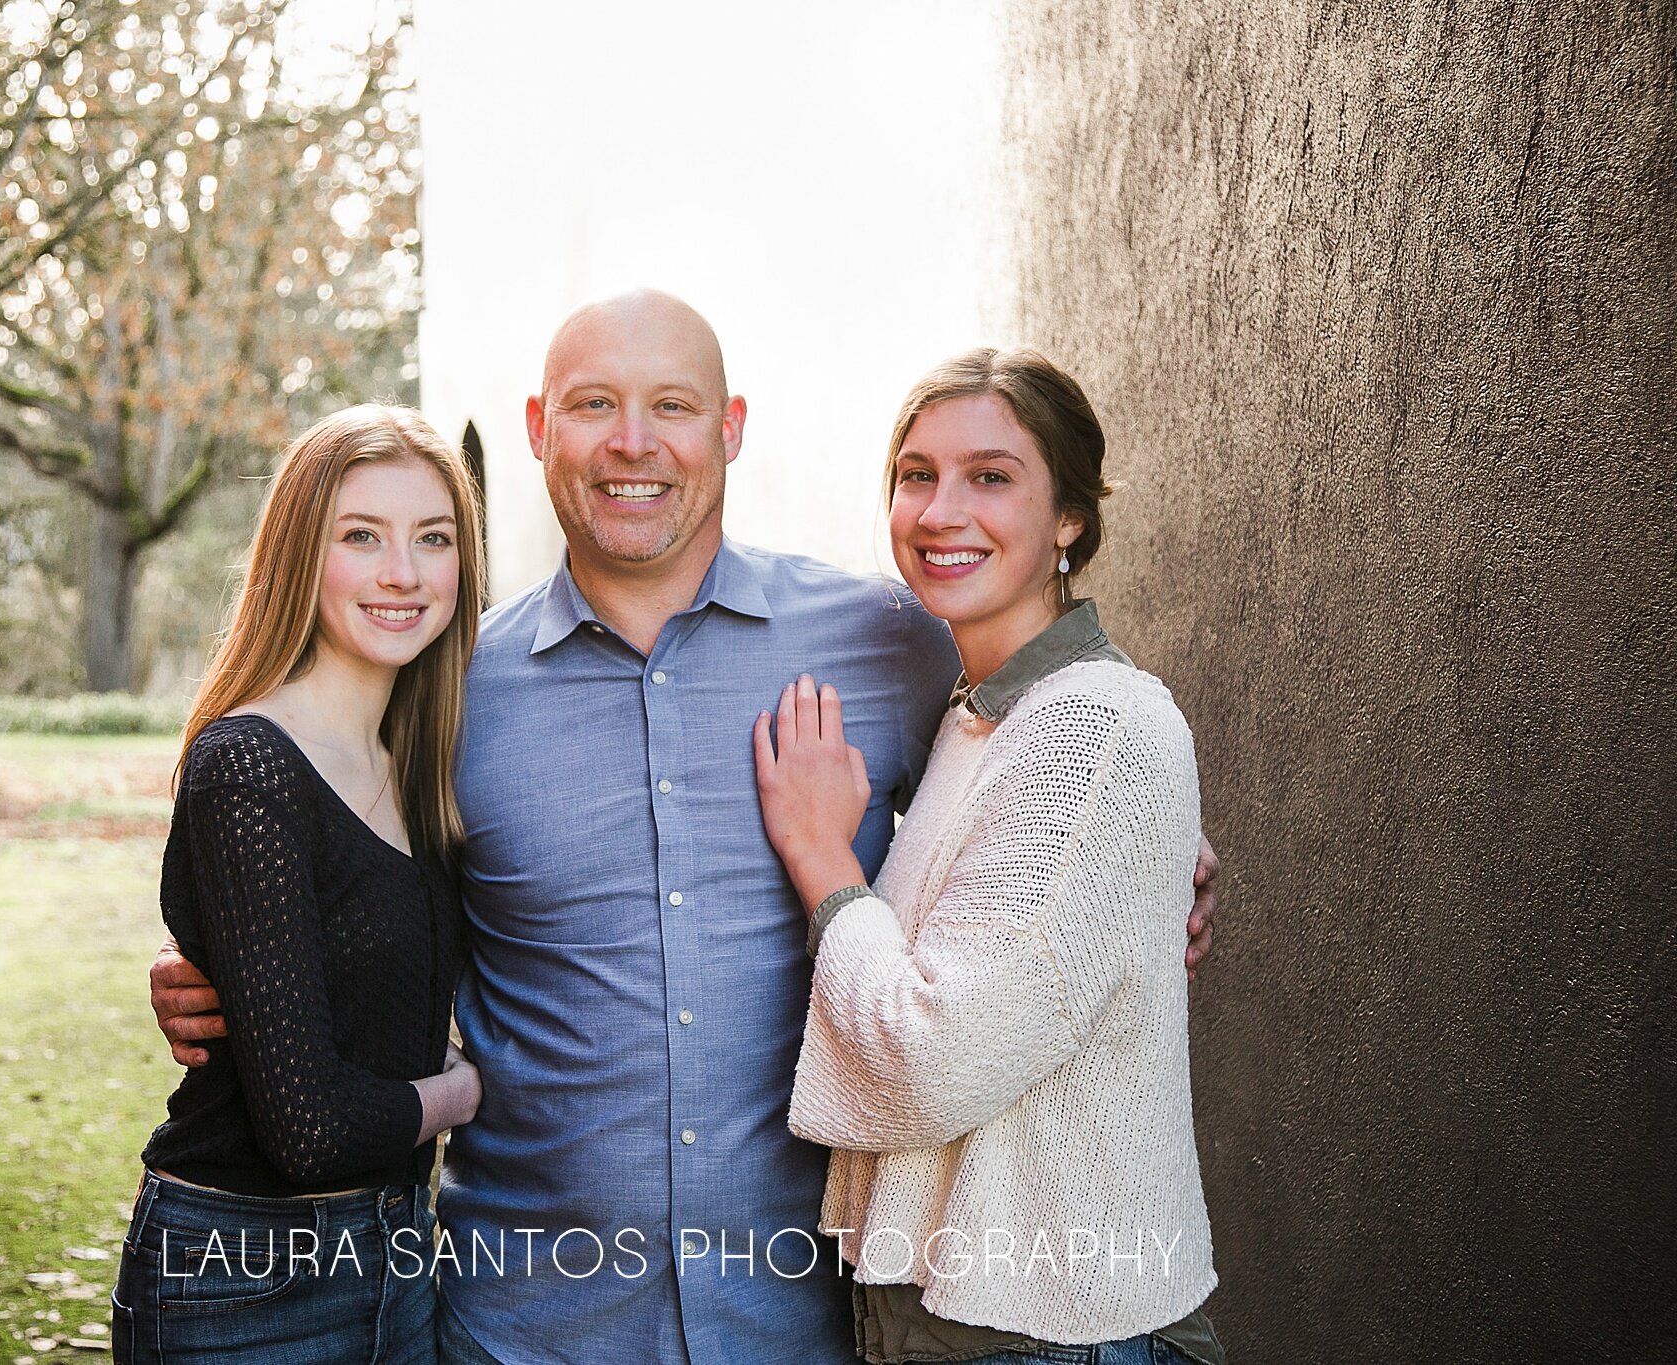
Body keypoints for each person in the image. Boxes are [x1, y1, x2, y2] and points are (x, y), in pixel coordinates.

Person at [150, 293, 1219, 1365]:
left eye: (671, 405)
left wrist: (1165, 853)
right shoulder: (446, 688)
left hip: (801, 1322)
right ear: (536, 430)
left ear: (729, 429)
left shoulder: (889, 645)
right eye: (592, 406)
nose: (632, 442)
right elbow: (346, 880)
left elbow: (1036, 765)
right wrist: (222, 960)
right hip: (527, 1324)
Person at [754, 348, 1223, 1364]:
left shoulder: (1089, 725)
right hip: (966, 1315)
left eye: (990, 477)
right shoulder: (981, 723)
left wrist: (817, 854)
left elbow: (932, 1055)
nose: (937, 509)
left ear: (1069, 520)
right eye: (915, 474)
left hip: (1051, 1329)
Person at [113, 405, 485, 1365]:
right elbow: (308, 1128)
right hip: (242, 1279)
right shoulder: (250, 765)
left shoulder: (423, 758)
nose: (402, 571)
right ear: (298, 556)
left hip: (399, 1253)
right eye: (361, 536)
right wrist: (472, 1088)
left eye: (432, 538)